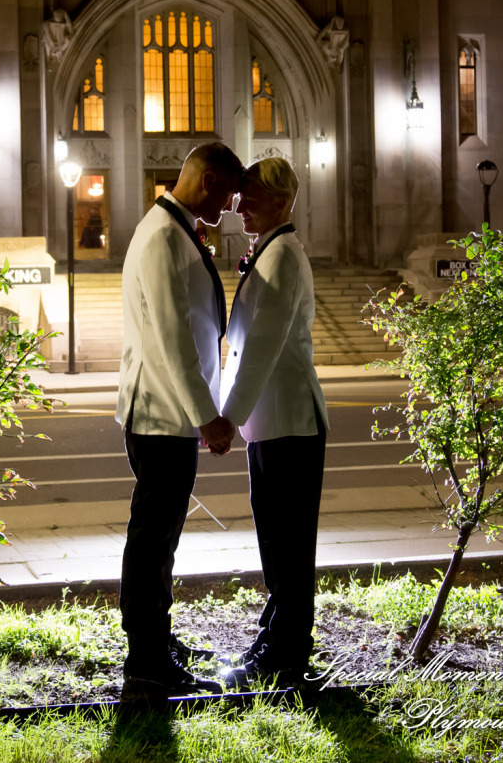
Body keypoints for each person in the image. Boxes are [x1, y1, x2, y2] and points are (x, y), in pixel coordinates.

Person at [116, 141, 244, 698]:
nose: (234, 208)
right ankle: (145, 659)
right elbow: (172, 339)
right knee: (153, 540)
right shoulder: (166, 237)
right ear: (209, 180)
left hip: (166, 414)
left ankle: (155, 640)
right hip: (163, 415)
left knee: (159, 538)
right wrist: (208, 417)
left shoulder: (174, 228)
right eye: (231, 194)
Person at [218, 158, 329, 688]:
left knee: (288, 544)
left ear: (283, 201)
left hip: (289, 421)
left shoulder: (284, 256)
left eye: (251, 195)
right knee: (274, 541)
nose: (239, 204)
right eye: (239, 195)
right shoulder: (268, 250)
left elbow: (261, 347)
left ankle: (286, 653)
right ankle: (276, 633)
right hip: (270, 423)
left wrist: (226, 415)